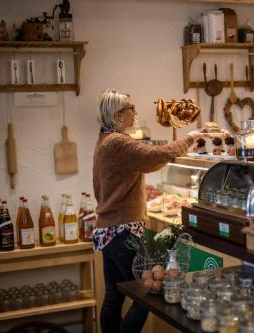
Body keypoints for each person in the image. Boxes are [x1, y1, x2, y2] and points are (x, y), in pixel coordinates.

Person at [93, 89, 202, 333]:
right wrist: (189, 138)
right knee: (148, 295)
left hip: (108, 231)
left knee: (113, 296)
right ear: (119, 114)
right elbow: (154, 156)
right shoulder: (119, 142)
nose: (136, 113)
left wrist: (172, 151)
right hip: (124, 232)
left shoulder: (105, 140)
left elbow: (149, 162)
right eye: (132, 108)